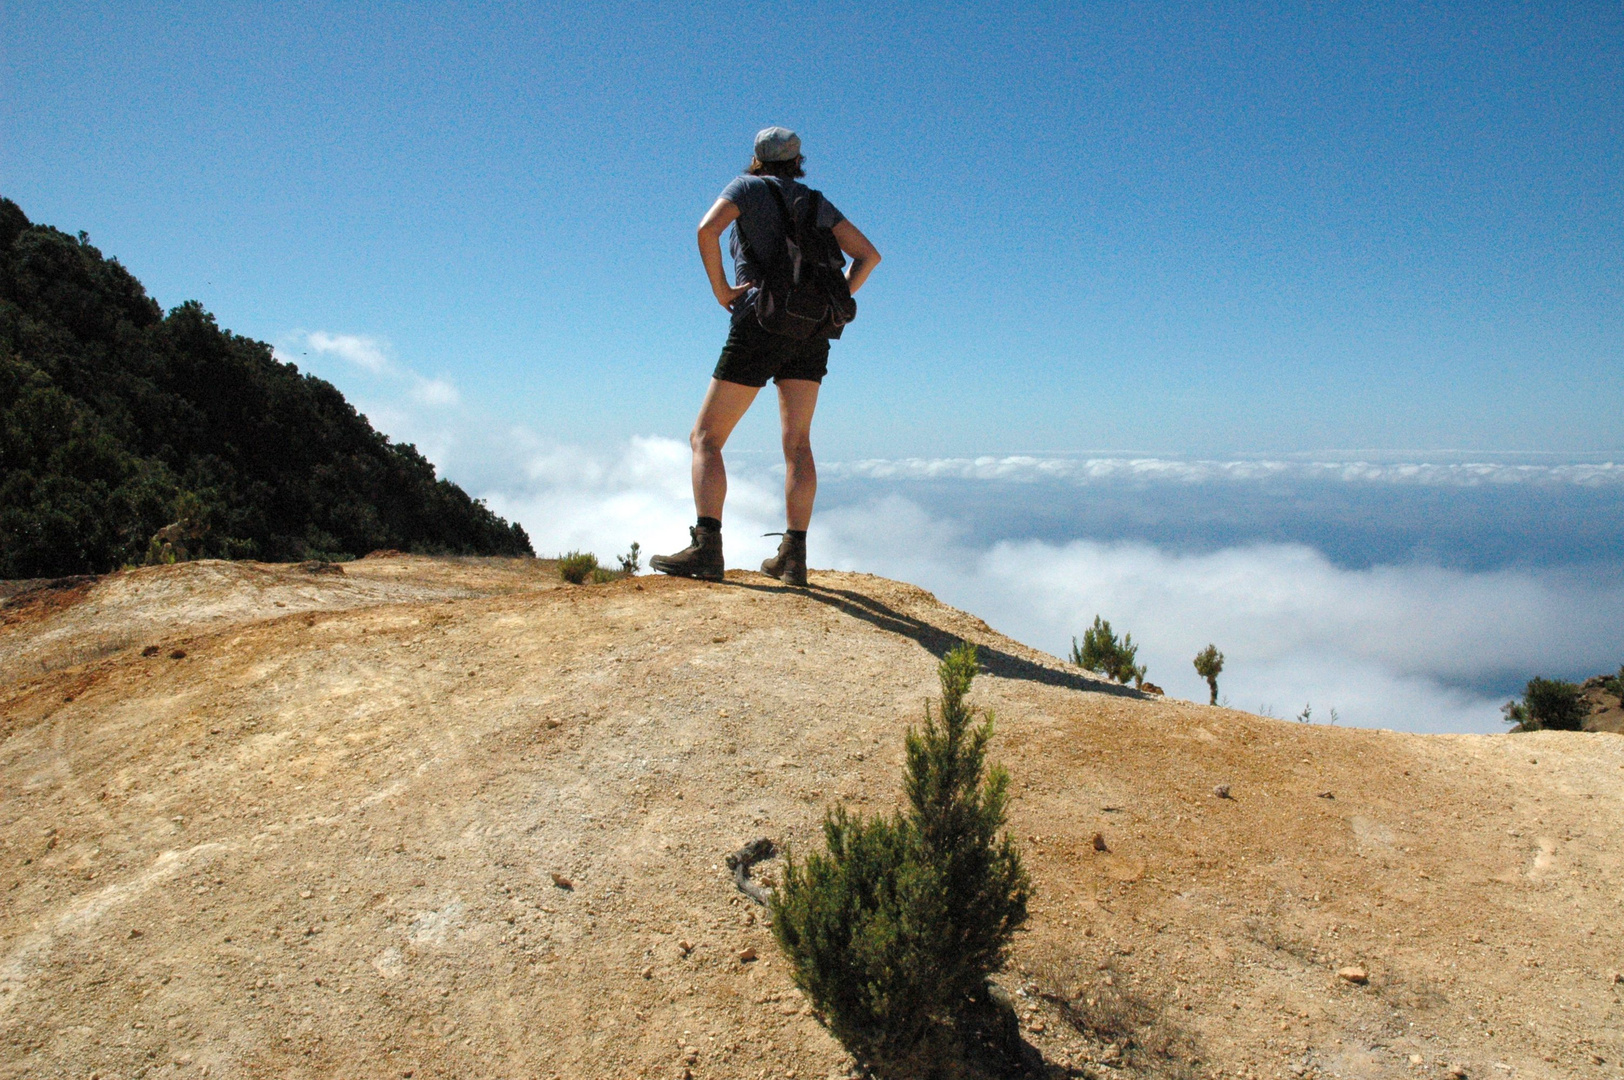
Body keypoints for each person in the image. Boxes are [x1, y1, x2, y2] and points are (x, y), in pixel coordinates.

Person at [649, 126, 881, 586]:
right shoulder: (816, 201)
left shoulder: (747, 188)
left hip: (761, 321)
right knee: (798, 443)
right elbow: (868, 256)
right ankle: (793, 558)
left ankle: (706, 548)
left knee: (706, 438)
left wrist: (721, 291)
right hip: (811, 332)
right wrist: (829, 305)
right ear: (797, 160)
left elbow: (706, 229)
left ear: (757, 158)